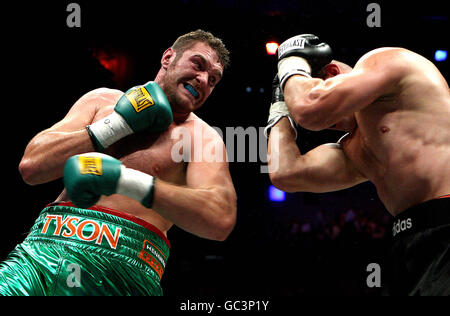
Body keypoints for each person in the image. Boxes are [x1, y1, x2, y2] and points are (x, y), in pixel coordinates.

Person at [1, 30, 237, 296]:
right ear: (168, 57)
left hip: (122, 270)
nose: (204, 79)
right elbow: (31, 168)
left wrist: (125, 181)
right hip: (40, 252)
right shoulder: (101, 101)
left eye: (214, 80)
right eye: (198, 64)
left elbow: (220, 218)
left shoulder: (201, 137)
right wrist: (116, 126)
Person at [266, 34, 450, 295]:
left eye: (331, 118)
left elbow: (310, 109)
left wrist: (289, 63)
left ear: (331, 73)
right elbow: (286, 173)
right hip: (410, 246)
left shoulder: (385, 61)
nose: (331, 127)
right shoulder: (356, 149)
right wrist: (280, 112)